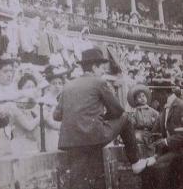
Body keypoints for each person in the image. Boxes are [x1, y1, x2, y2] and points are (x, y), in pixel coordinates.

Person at [53, 48, 156, 188]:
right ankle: (135, 161)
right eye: (102, 68)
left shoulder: (67, 85)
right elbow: (118, 111)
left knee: (79, 181)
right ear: (94, 67)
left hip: (70, 140)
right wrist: (101, 118)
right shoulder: (98, 82)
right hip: (93, 136)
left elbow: (56, 116)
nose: (103, 72)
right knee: (125, 117)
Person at [141, 87, 183, 189]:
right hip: (168, 150)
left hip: (179, 150)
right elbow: (155, 129)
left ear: (163, 93)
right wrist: (147, 136)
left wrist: (166, 141)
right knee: (145, 166)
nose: (153, 98)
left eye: (154, 94)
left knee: (156, 167)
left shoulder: (181, 105)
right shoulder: (165, 108)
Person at [127, 85, 159, 155]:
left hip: (151, 132)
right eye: (139, 97)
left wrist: (154, 124)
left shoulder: (153, 111)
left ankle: (152, 158)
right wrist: (132, 117)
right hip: (139, 133)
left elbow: (158, 121)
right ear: (135, 100)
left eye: (143, 96)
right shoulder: (134, 111)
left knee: (152, 144)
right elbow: (132, 124)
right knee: (137, 140)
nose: (142, 98)